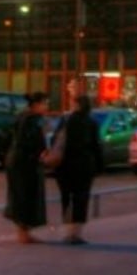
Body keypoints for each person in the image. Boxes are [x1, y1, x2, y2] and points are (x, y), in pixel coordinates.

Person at [55, 94, 104, 245]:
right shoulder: (91, 123)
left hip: (65, 165)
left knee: (66, 197)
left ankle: (67, 232)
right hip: (84, 165)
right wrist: (99, 166)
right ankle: (76, 233)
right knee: (81, 198)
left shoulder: (66, 121)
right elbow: (97, 146)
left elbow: (56, 141)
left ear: (76, 105)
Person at [3, 91, 49, 244]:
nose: (46, 106)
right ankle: (23, 234)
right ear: (36, 105)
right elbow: (30, 142)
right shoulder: (32, 119)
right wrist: (40, 153)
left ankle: (23, 233)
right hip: (24, 163)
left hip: (16, 160)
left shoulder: (23, 117)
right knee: (25, 195)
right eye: (44, 103)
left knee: (21, 195)